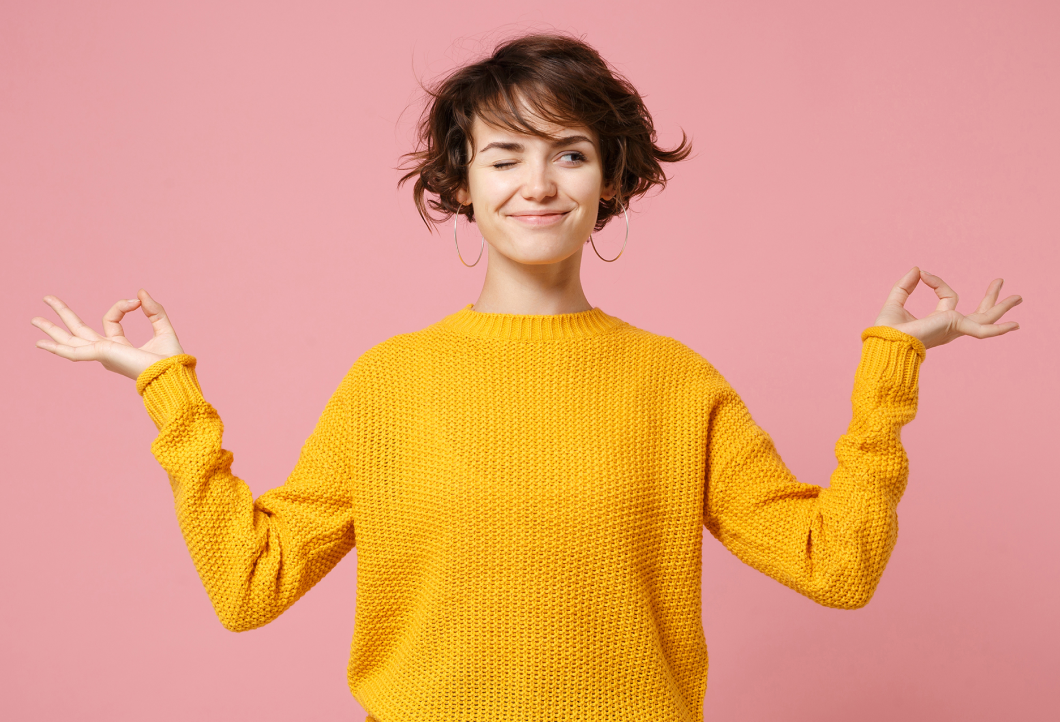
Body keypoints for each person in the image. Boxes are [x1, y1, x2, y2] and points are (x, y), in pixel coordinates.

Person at [31, 32, 1021, 722]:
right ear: (462, 184)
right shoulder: (388, 384)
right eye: (504, 156)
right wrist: (168, 390)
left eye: (570, 153)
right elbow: (250, 582)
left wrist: (891, 373)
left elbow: (836, 564)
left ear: (613, 180)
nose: (537, 184)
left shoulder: (676, 386)